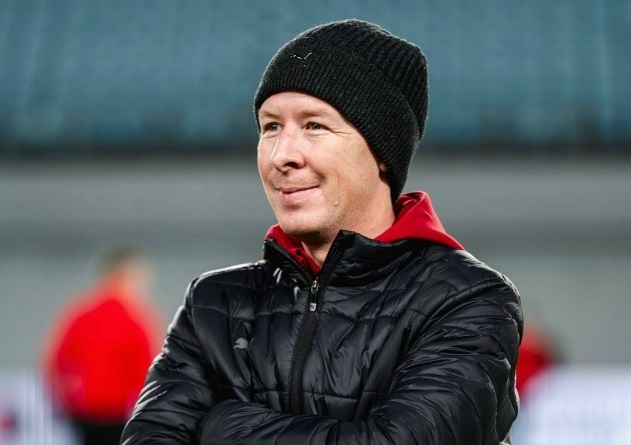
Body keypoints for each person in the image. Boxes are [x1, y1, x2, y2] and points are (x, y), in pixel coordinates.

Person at [121, 19, 523, 444]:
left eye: (314, 125)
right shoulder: (213, 303)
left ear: (382, 150)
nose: (281, 155)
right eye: (270, 126)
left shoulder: (468, 299)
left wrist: (226, 428)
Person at [41, 244, 164, 445]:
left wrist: (65, 402)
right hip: (121, 413)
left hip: (83, 412)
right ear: (129, 274)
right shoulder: (137, 316)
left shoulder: (80, 312)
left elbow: (56, 363)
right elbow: (148, 370)